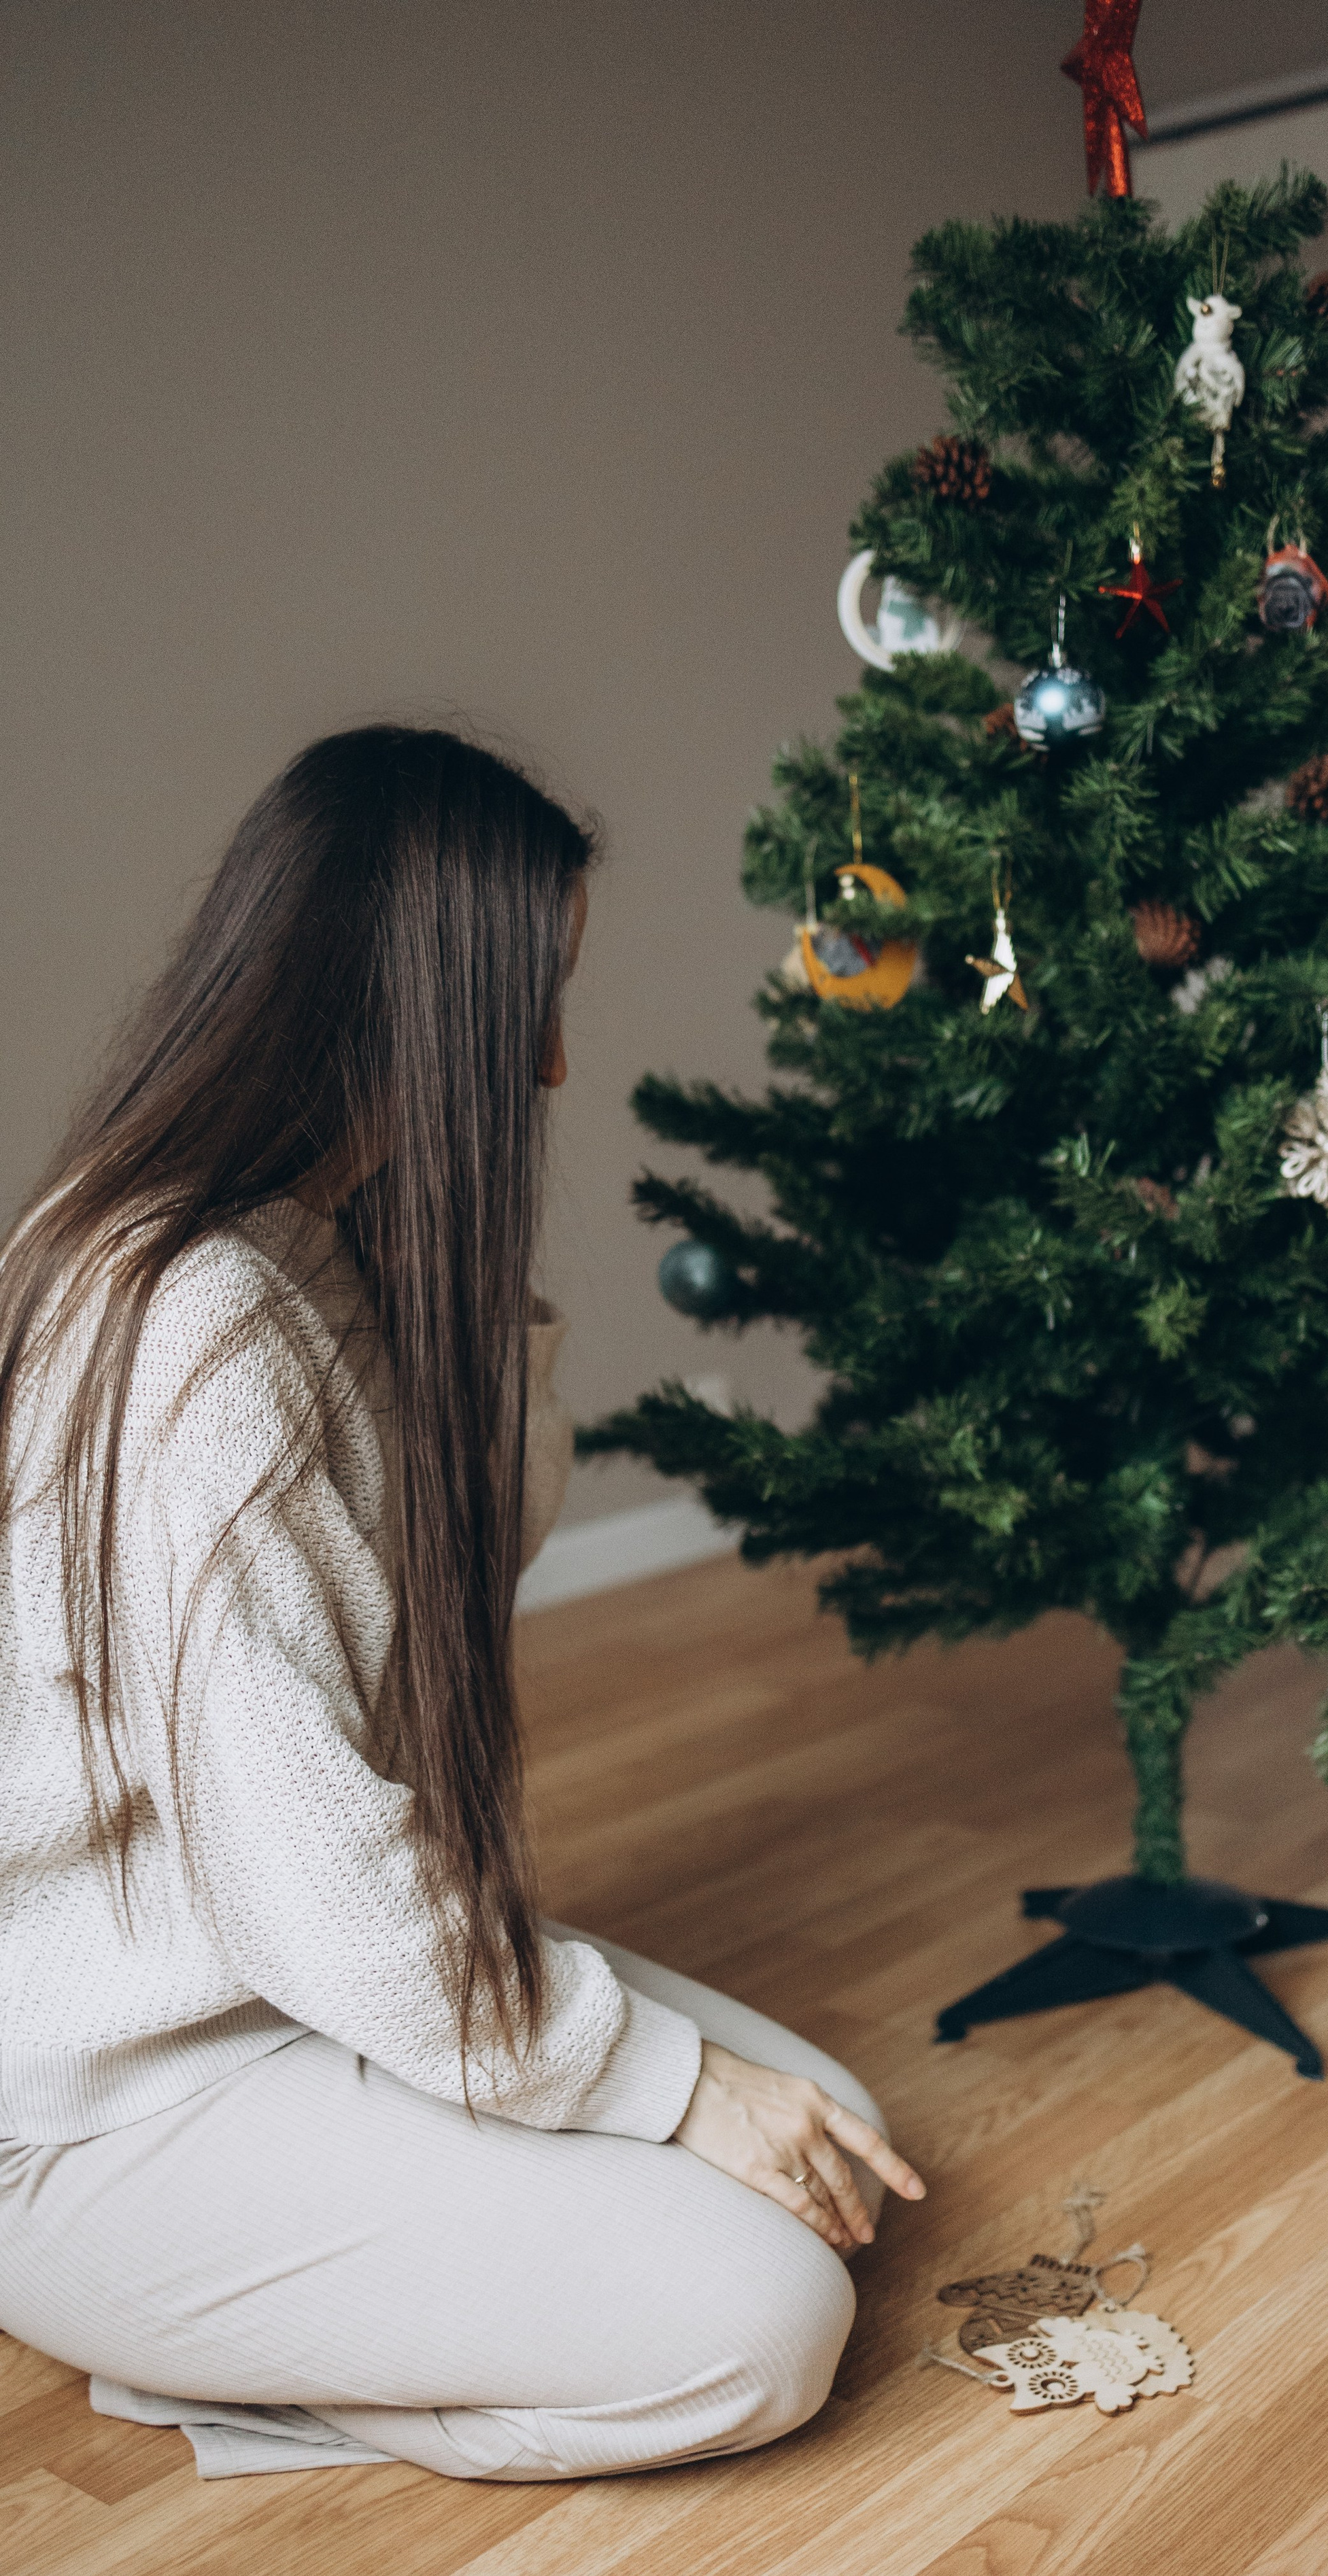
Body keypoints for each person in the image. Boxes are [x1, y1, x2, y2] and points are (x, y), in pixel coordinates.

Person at [0, 725, 923, 2483]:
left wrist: (461, 1273)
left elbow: (463, 1569)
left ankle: (361, 2287)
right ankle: (223, 2366)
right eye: (534, 1004)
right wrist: (660, 2088)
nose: (559, 1062)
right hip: (116, 2106)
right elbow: (316, 1892)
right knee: (767, 2317)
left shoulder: (308, 1246)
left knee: (833, 2140)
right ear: (416, 1006)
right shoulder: (191, 1327)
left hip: (284, 1997)